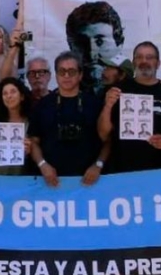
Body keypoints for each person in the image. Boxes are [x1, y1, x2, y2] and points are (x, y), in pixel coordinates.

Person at [99, 42, 161, 173]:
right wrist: (108, 107)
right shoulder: (118, 90)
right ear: (133, 62)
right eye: (139, 57)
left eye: (149, 57)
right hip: (124, 171)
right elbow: (104, 135)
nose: (144, 61)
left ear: (158, 63)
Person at [28, 51, 108, 187]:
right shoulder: (43, 105)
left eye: (71, 72)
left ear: (80, 75)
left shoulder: (94, 104)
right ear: (56, 75)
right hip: (51, 181)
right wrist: (42, 164)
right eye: (62, 71)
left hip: (89, 182)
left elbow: (108, 140)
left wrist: (98, 165)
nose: (66, 76)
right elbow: (33, 141)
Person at [66, 1, 125, 95]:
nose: (92, 54)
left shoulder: (136, 93)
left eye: (100, 42)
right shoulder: (61, 98)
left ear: (119, 42)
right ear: (71, 46)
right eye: (82, 43)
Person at [0, 77, 33, 176]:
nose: (9, 96)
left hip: (21, 180)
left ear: (22, 96)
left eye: (13, 92)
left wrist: (30, 152)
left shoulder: (31, 123)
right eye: (4, 93)